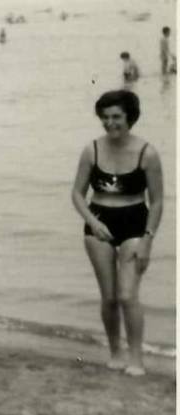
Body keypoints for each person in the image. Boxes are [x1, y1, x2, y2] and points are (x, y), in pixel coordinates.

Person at [71, 90, 163, 377]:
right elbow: (76, 193)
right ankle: (115, 352)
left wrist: (148, 239)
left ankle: (136, 358)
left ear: (130, 118)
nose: (110, 123)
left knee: (128, 295)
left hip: (135, 222)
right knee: (109, 297)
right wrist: (92, 221)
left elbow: (158, 200)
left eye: (117, 117)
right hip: (99, 221)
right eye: (105, 117)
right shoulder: (92, 150)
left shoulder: (147, 153)